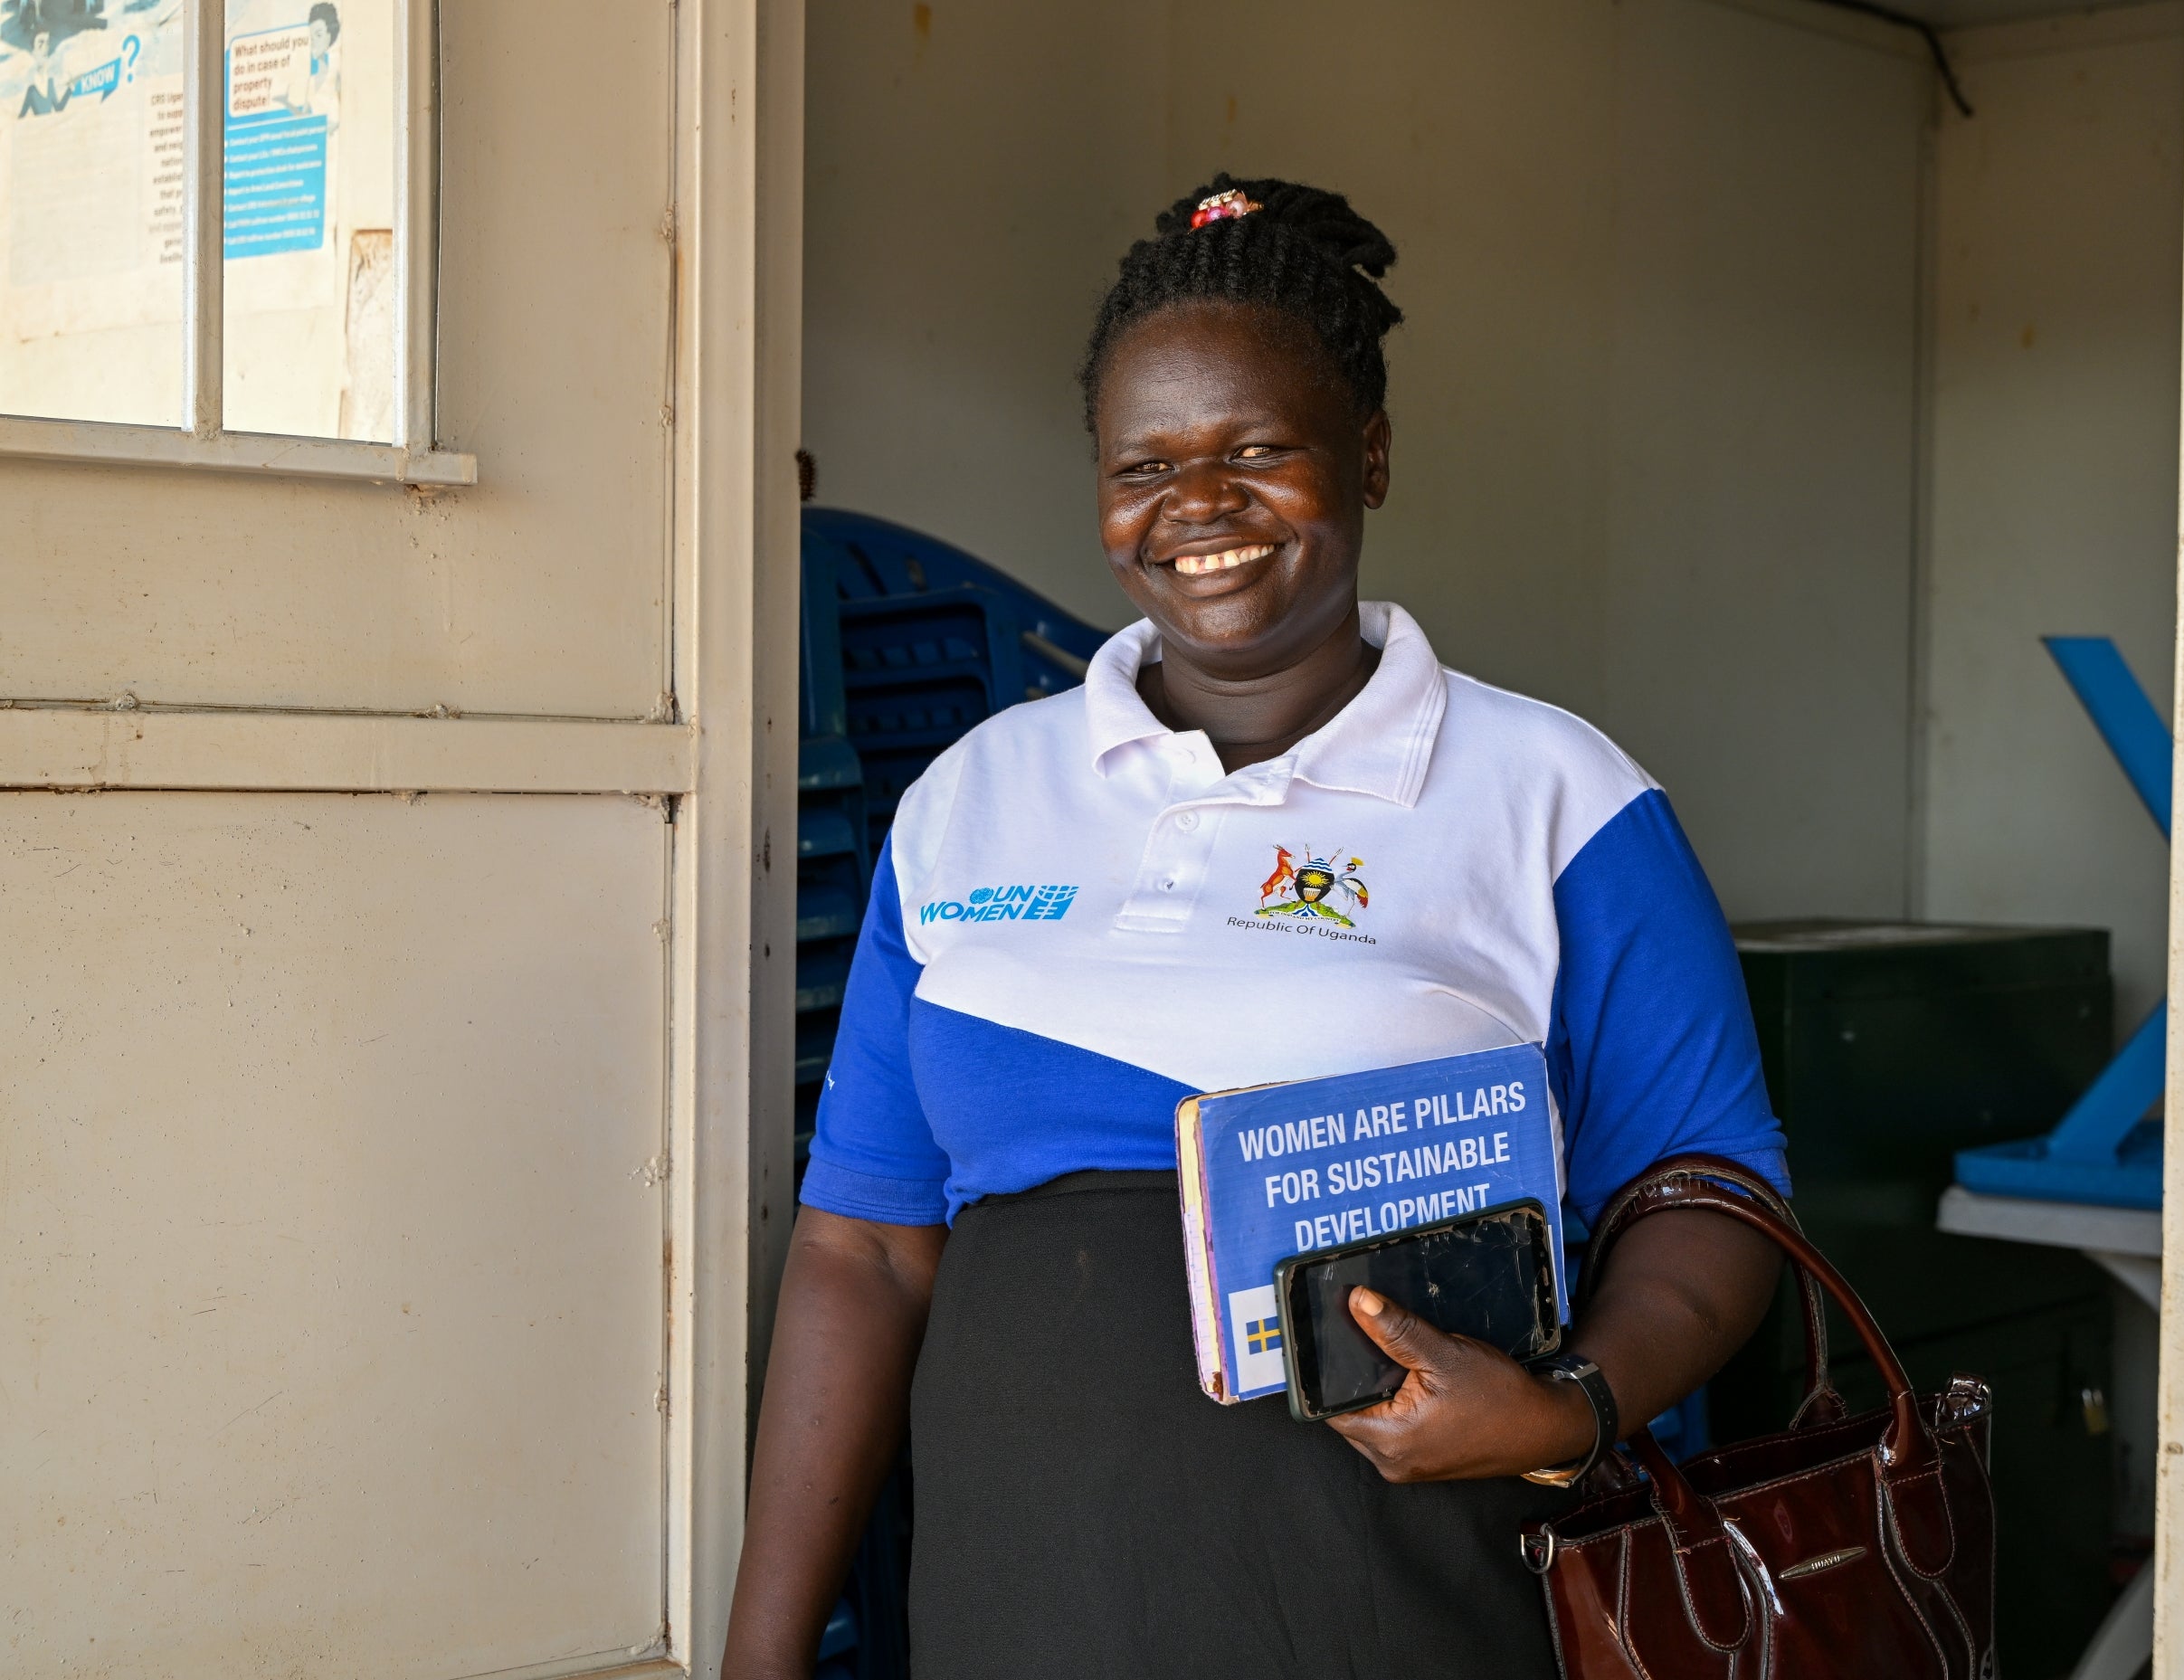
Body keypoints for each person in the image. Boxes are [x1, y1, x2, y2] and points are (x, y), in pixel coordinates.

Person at [724, 176, 1790, 1680]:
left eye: (1255, 451)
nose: (1196, 507)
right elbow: (865, 1252)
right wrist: (762, 1655)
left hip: (1404, 1604)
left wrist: (1573, 1408)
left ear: (1368, 454)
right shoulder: (970, 798)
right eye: (1143, 463)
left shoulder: (1558, 796)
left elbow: (1712, 1186)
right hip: (1021, 1600)